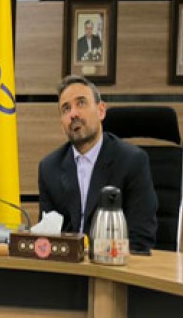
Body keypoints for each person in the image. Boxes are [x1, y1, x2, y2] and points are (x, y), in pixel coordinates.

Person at [38, 75, 157, 253]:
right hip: (67, 266)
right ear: (62, 122)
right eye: (66, 109)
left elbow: (140, 239)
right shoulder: (49, 168)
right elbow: (47, 238)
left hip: (114, 264)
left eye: (81, 103)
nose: (73, 114)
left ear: (101, 111)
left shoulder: (132, 161)